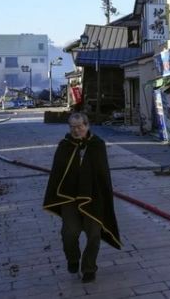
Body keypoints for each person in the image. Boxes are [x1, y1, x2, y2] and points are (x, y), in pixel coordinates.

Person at [43, 112, 121, 283]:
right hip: (69, 197)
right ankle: (73, 258)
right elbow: (57, 172)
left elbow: (102, 173)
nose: (76, 130)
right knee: (69, 233)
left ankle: (89, 268)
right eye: (72, 127)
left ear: (87, 126)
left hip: (93, 197)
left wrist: (103, 195)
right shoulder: (64, 145)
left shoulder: (97, 145)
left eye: (79, 127)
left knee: (94, 235)